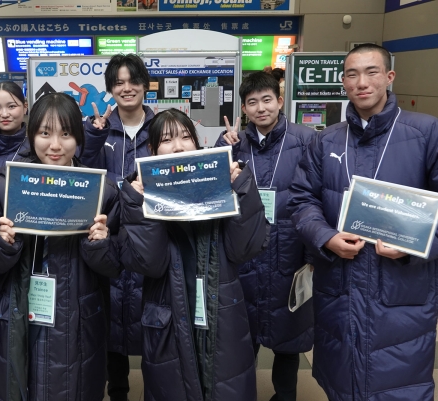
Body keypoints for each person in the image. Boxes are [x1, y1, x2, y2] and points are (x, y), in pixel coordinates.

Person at [287, 43, 438, 401]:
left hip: (401, 293)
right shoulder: (326, 140)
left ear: (389, 76)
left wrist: (412, 245)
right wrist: (325, 237)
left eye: (372, 72)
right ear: (343, 82)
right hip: (339, 288)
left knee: (398, 386)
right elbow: (302, 200)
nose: (362, 82)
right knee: (342, 382)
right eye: (352, 75)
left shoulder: (425, 132)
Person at [0, 92, 121, 401]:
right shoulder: (7, 185)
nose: (55, 145)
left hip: (79, 321)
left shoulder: (100, 191)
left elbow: (117, 265)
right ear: (31, 135)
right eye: (44, 133)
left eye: (66, 134)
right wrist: (1, 242)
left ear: (78, 138)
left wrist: (100, 243)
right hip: (16, 317)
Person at [119, 108, 268, 400]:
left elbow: (245, 248)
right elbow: (150, 263)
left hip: (221, 309)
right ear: (152, 150)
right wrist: (137, 206)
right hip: (167, 316)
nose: (178, 146)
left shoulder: (222, 182)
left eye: (186, 137)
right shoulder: (138, 195)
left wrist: (242, 189)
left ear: (197, 144)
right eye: (167, 140)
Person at [215, 72, 314, 401]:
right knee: (244, 338)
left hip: (290, 251)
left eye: (267, 99)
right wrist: (222, 150)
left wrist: (312, 253)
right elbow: (214, 190)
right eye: (252, 102)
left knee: (289, 338)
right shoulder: (235, 143)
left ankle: (285, 396)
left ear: (280, 101)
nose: (261, 108)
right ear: (244, 108)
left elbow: (316, 194)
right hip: (246, 253)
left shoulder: (305, 139)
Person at [81, 53, 153, 401]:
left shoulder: (161, 127)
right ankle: (118, 392)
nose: (127, 88)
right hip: (106, 236)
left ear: (145, 85)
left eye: (133, 80)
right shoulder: (97, 130)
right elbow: (82, 175)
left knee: (152, 318)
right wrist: (92, 138)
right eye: (119, 82)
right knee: (111, 318)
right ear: (111, 88)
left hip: (149, 238)